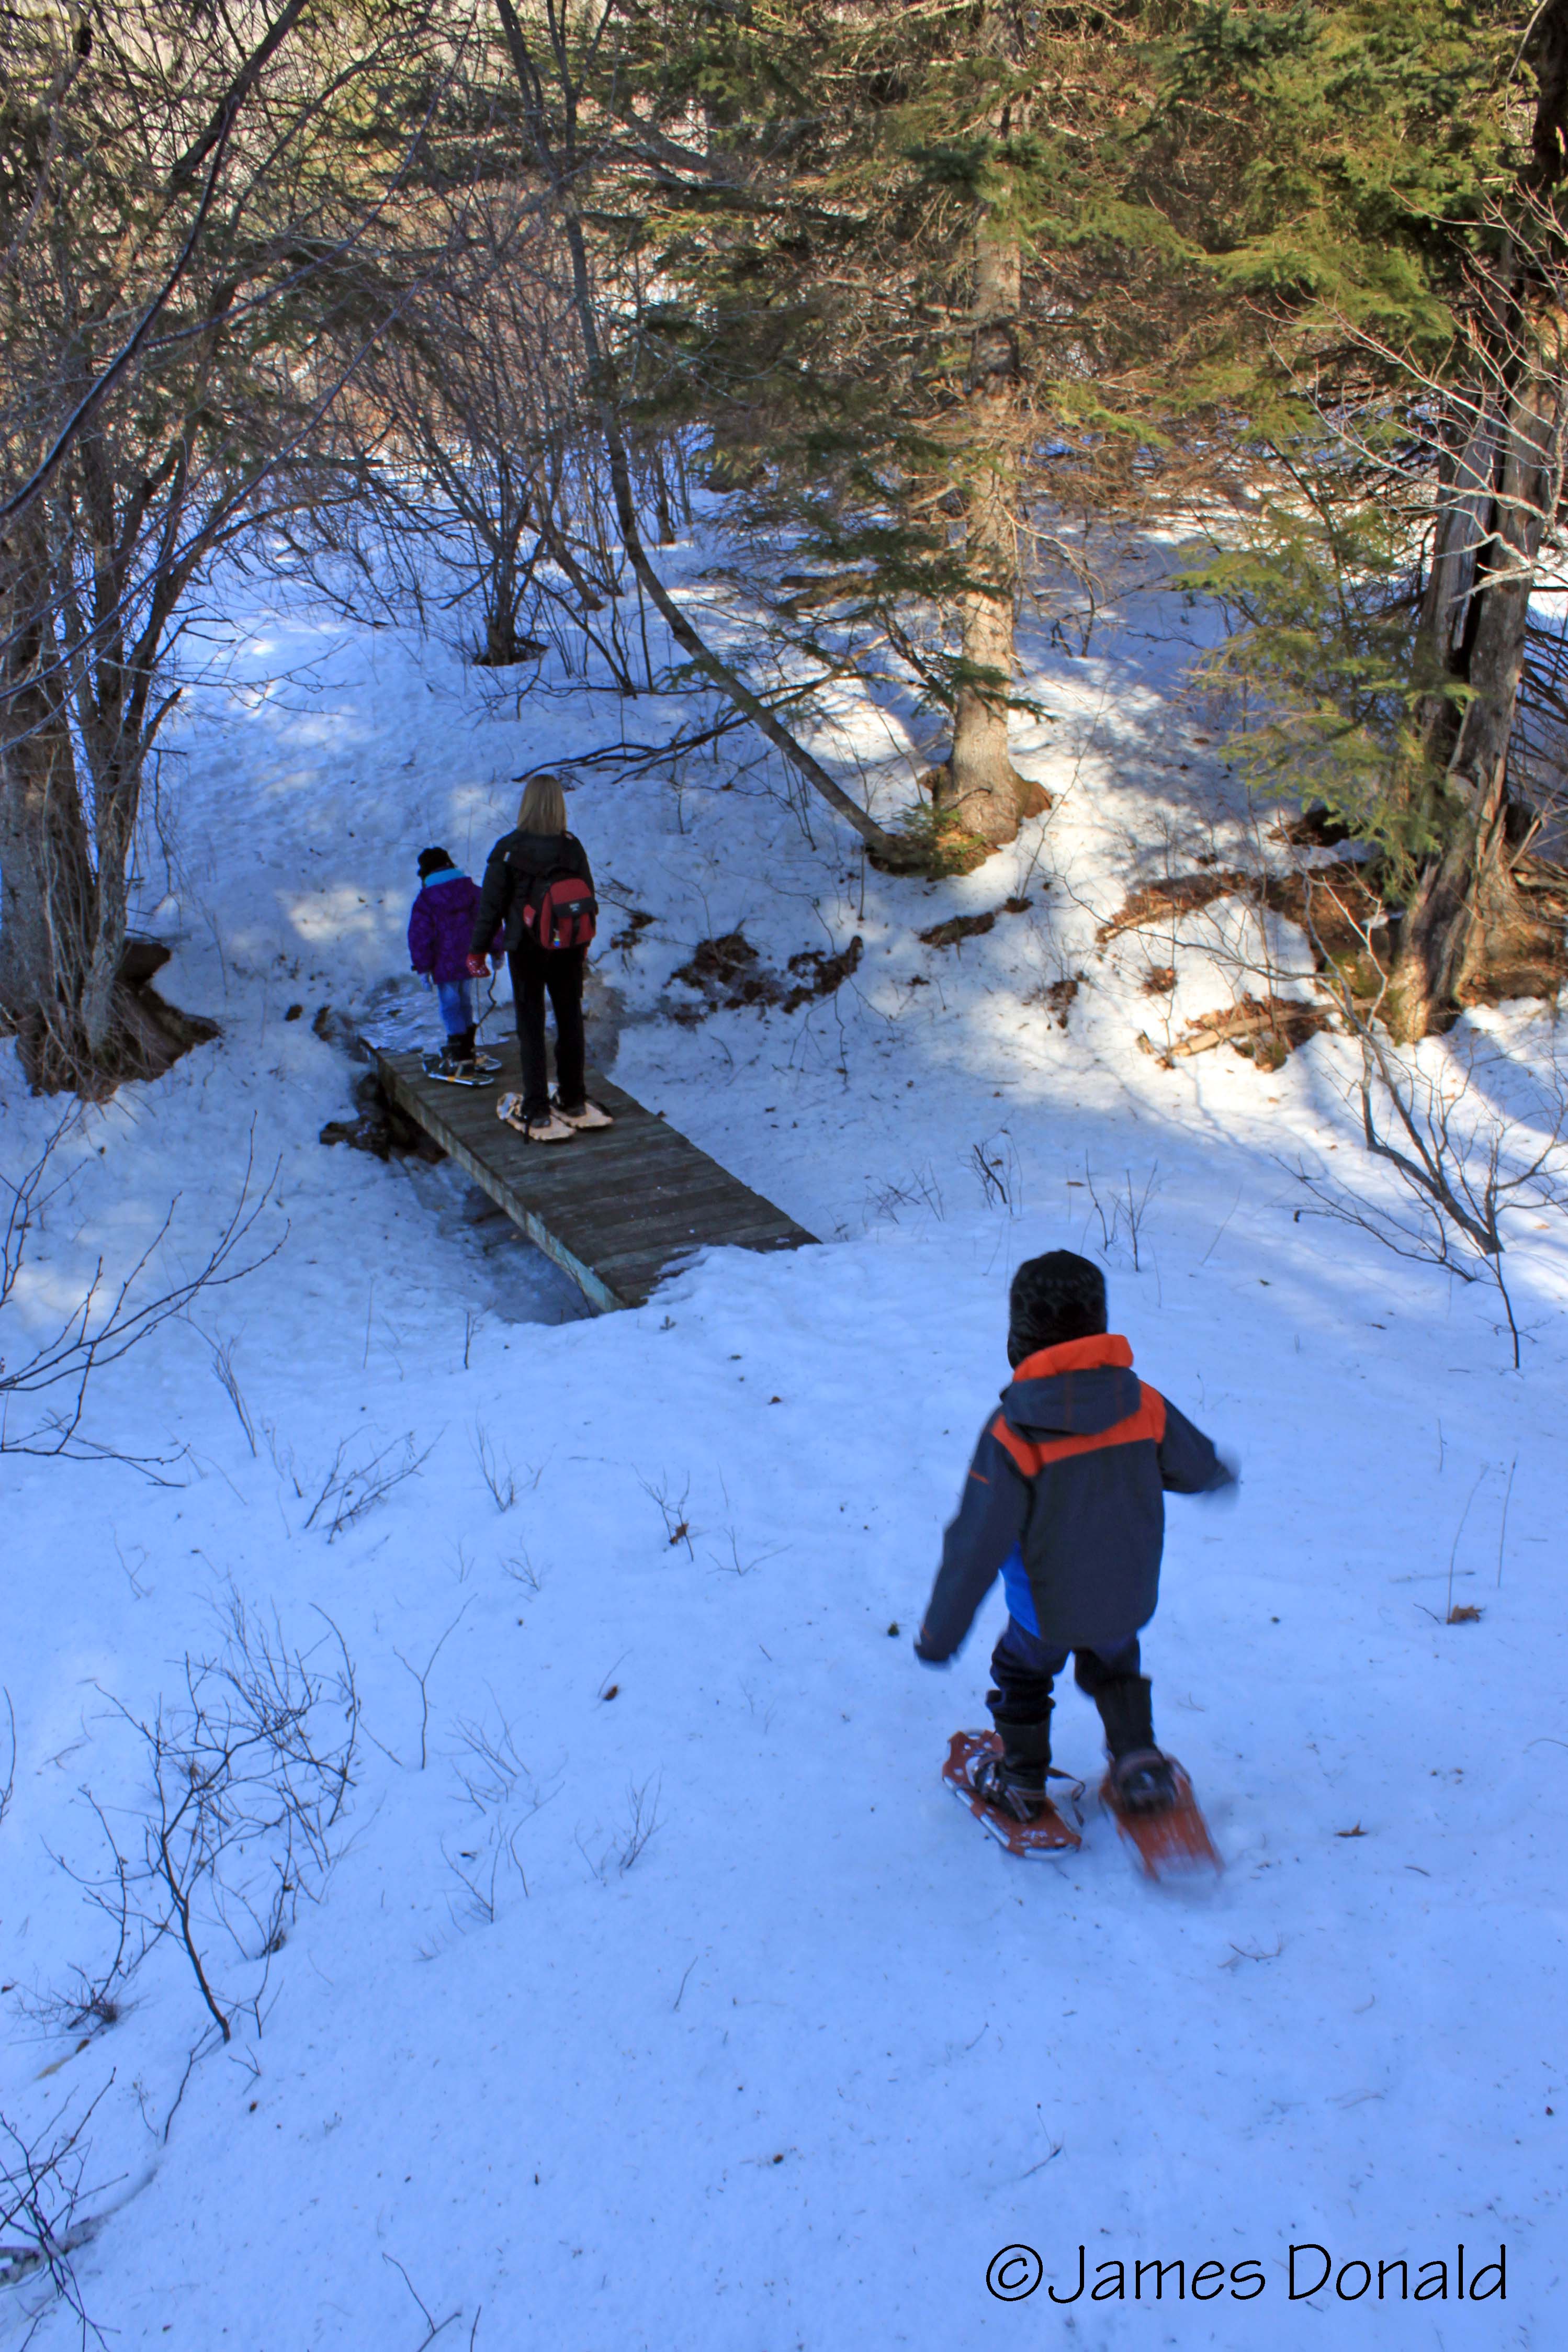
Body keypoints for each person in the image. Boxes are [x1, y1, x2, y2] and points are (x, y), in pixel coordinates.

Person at [913, 1250, 1236, 1819]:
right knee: (1115, 1666)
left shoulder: (1014, 1435)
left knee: (1022, 1672)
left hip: (1046, 1609)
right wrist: (1213, 1474)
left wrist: (939, 1633)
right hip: (1128, 1595)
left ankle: (1022, 1781)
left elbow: (975, 1545)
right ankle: (1138, 1762)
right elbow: (1193, 1464)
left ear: (1019, 1338)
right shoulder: (1143, 1405)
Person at [468, 773, 614, 1144]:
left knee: (530, 1024)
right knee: (569, 1019)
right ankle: (574, 1098)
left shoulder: (508, 848)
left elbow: (491, 907)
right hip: (567, 945)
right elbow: (586, 899)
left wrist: (478, 950)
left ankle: (536, 1106)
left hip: (527, 947)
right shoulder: (571, 846)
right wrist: (581, 945)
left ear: (527, 804)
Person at [408, 846, 500, 1078]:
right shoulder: (472, 891)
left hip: (444, 962)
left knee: (450, 1006)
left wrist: (423, 967)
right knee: (465, 1001)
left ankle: (459, 1057)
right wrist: (498, 950)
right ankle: (467, 1048)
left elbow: (420, 936)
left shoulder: (427, 899)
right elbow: (490, 919)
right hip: (471, 958)